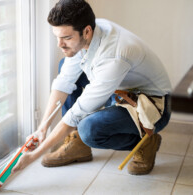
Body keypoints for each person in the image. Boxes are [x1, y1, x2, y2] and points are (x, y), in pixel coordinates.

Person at [12, 0, 171, 175]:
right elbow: (64, 82)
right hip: (119, 88)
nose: (60, 44)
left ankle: (146, 142)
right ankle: (76, 144)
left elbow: (76, 114)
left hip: (152, 104)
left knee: (89, 129)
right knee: (66, 63)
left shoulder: (114, 56)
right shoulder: (89, 31)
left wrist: (33, 156)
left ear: (86, 31)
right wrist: (42, 128)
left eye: (66, 38)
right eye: (57, 37)